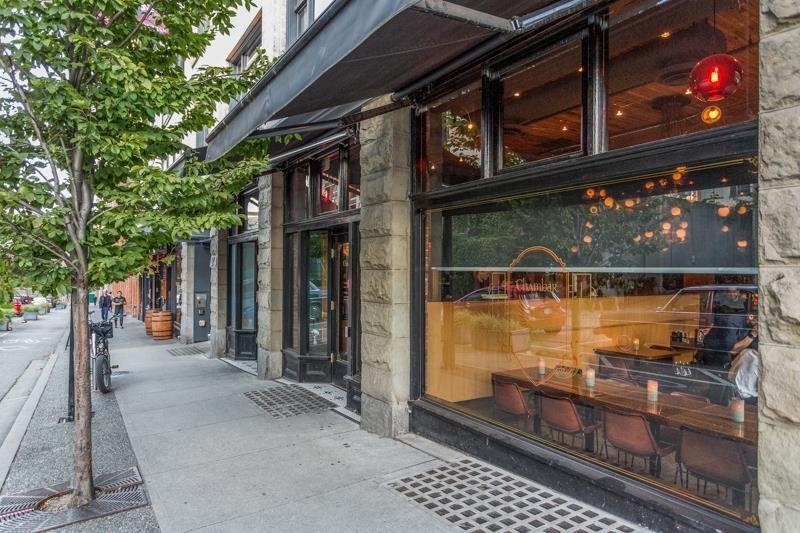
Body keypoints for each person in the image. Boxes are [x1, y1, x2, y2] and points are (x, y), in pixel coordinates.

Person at [728, 314, 759, 404]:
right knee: (750, 358)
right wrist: (753, 334)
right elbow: (733, 350)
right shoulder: (739, 325)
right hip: (745, 362)